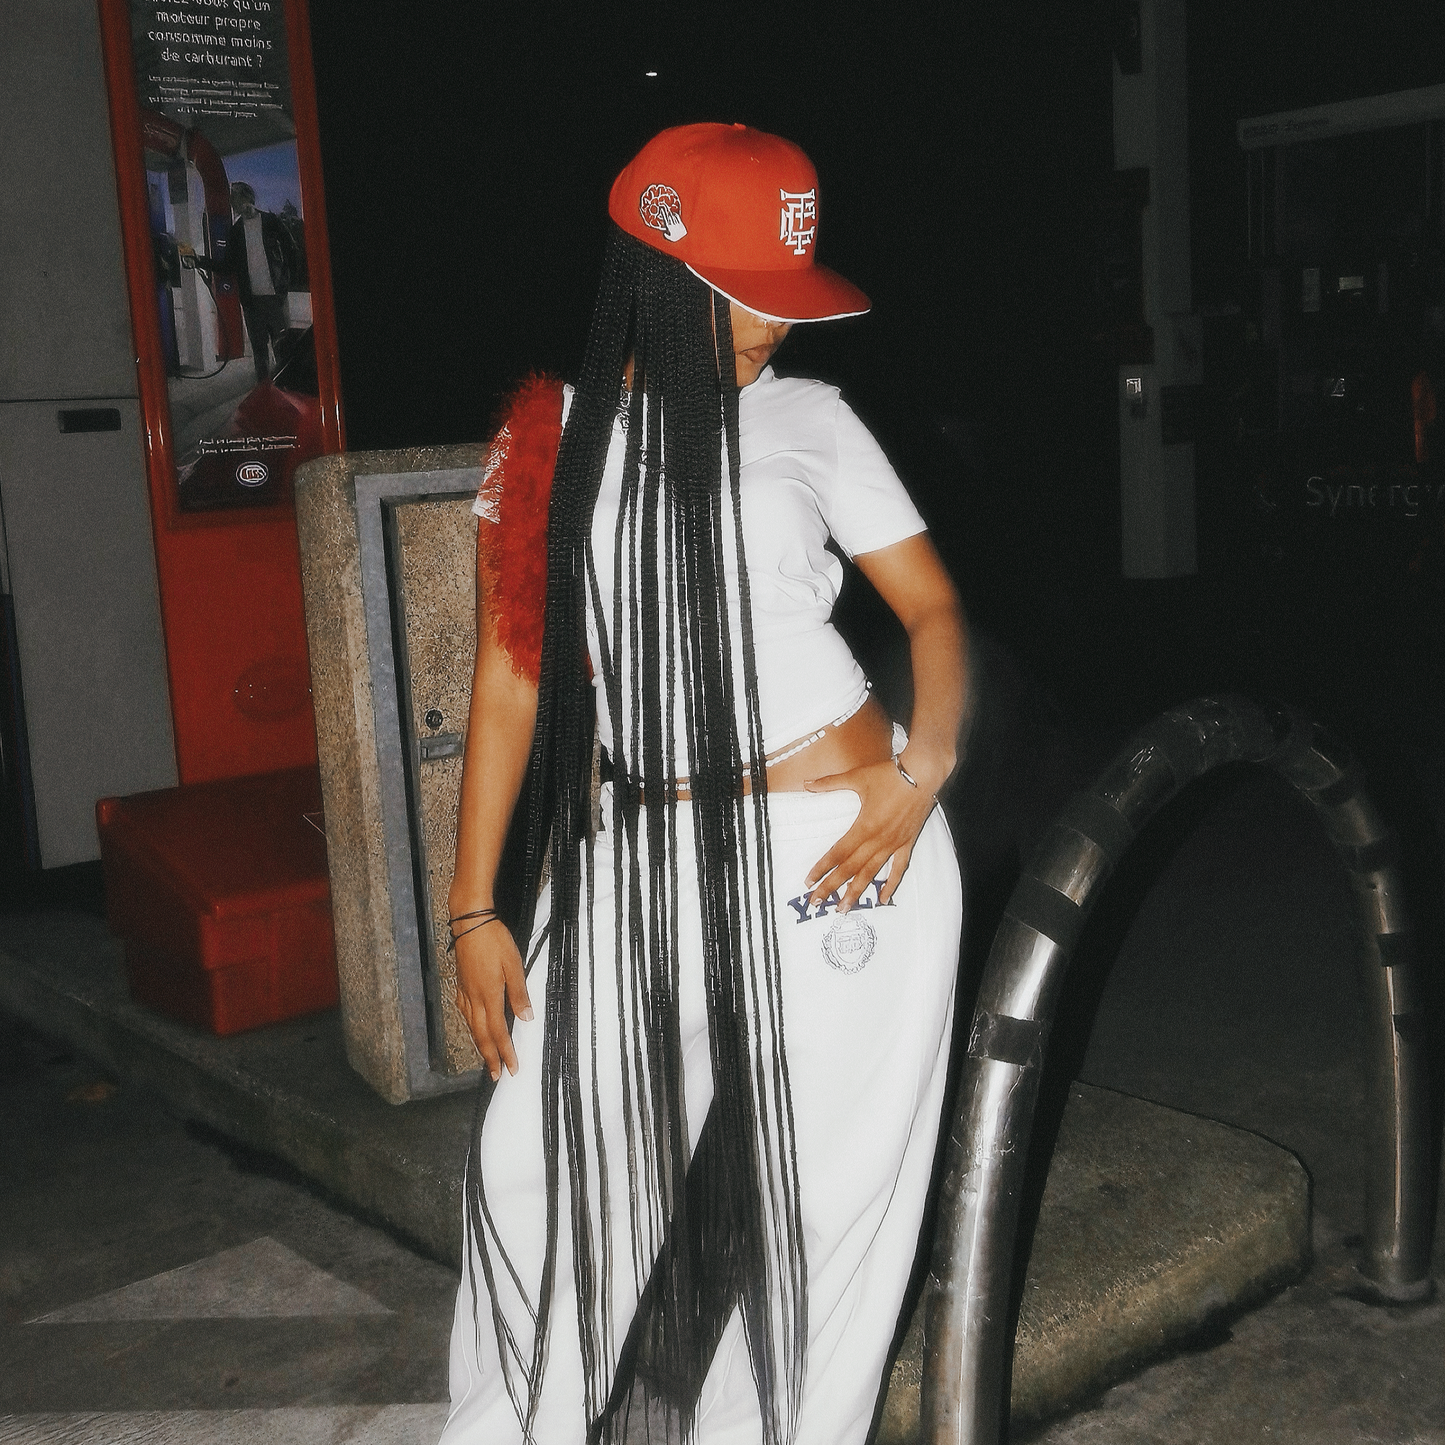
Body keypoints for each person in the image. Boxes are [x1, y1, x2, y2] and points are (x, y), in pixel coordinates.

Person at [443, 122, 969, 1445]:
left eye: (784, 302)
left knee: (827, 1212)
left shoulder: (810, 421)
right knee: (537, 1173)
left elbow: (934, 613)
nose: (772, 332)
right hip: (637, 852)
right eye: (744, 299)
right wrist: (470, 905)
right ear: (658, 275)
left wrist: (926, 767)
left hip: (853, 839)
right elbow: (511, 679)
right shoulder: (546, 441)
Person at [211, 182, 297, 384]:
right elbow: (227, 266)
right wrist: (199, 261)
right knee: (260, 353)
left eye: (234, 197)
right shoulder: (235, 231)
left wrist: (285, 283)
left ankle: (286, 387)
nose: (231, 203)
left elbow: (291, 249)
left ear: (246, 198)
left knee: (282, 347)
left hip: (275, 299)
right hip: (252, 303)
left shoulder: (270, 222)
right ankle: (265, 392)